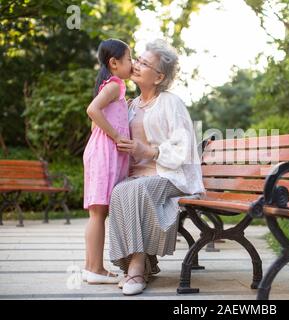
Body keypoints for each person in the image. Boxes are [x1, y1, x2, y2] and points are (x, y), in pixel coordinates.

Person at [109, 39, 204, 296]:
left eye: (144, 63)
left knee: (136, 190)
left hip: (171, 176)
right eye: (137, 60)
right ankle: (136, 264)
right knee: (119, 191)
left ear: (159, 76)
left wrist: (150, 151)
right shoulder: (129, 106)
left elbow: (184, 148)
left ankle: (137, 267)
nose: (137, 65)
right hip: (139, 179)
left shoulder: (170, 103)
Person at [82, 39, 132, 284]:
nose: (132, 63)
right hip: (104, 152)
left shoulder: (113, 88)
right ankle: (95, 270)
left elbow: (95, 123)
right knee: (98, 212)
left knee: (97, 212)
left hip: (100, 151)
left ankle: (91, 266)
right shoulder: (114, 85)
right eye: (129, 58)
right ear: (114, 63)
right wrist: (116, 136)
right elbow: (92, 111)